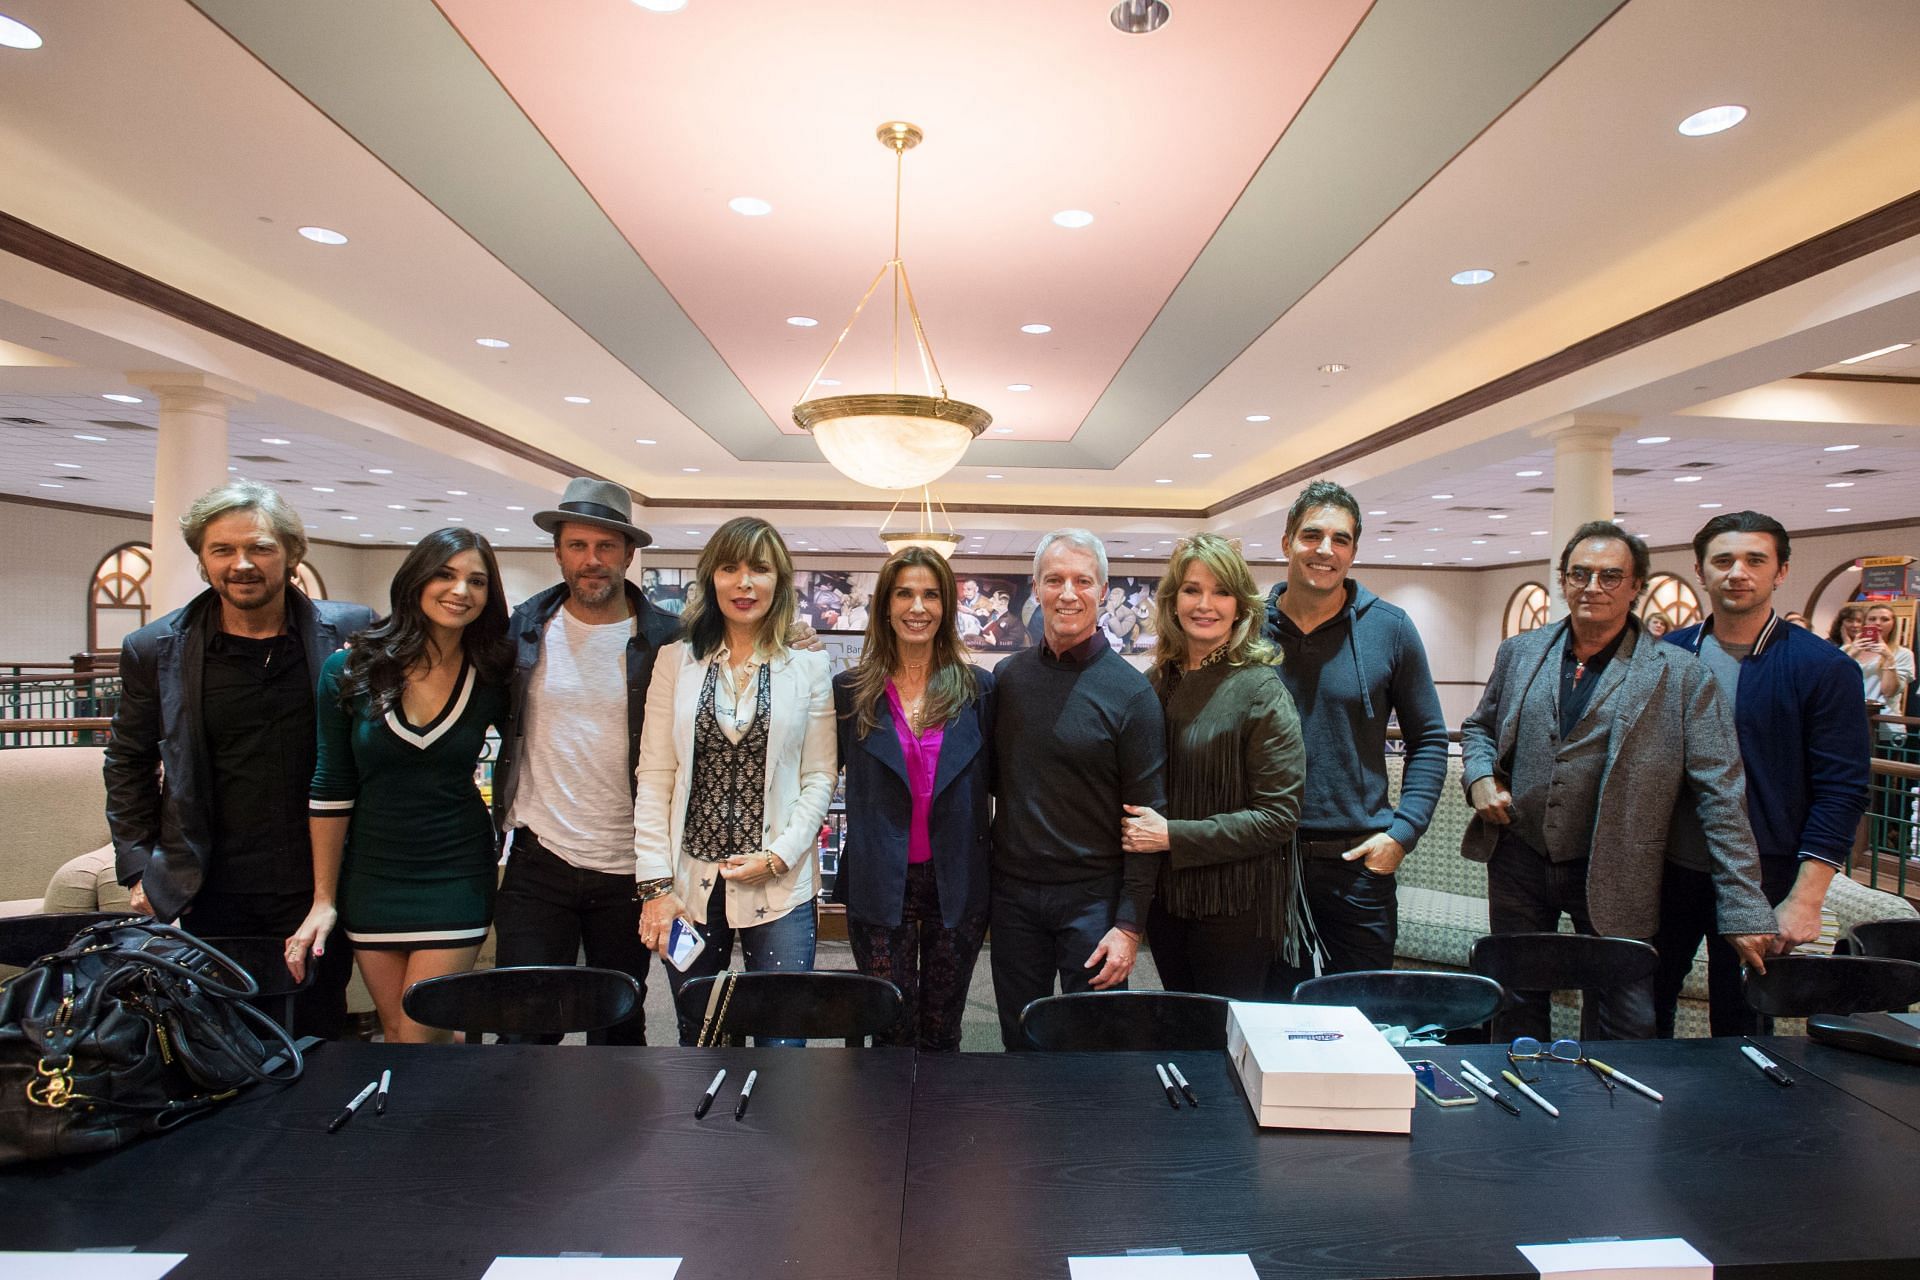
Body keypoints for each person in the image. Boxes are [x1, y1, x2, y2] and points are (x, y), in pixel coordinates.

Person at [1460, 520, 1775, 1041]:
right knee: (1515, 999)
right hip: (1518, 853)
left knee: (1625, 1016)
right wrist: (1477, 778)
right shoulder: (1520, 653)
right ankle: (1518, 1107)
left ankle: (1610, 1119)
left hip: (1619, 865)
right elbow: (1479, 729)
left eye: (1610, 576)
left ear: (1636, 587)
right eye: (1580, 574)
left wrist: (1744, 903)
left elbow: (1721, 793)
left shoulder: (1682, 675)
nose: (1592, 587)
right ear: (1563, 580)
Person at [104, 480, 374, 1039]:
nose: (242, 564)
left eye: (260, 548)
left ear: (293, 553)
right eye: (222, 550)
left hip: (321, 881)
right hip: (213, 886)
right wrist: (139, 867)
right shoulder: (156, 649)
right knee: (221, 1040)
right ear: (203, 560)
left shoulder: (352, 631)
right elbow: (127, 762)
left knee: (319, 1032)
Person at [1653, 511, 1873, 1037]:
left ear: (1780, 573)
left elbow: (1842, 789)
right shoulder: (1665, 654)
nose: (1738, 573)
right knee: (1643, 1007)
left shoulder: (1822, 667)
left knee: (1743, 1021)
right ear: (1701, 571)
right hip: (1669, 868)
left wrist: (1806, 897)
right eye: (1723, 560)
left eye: (1755, 560)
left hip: (1763, 874)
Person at [288, 528, 511, 1043]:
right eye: (445, 574)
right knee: (398, 1032)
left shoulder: (493, 674)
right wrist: (324, 898)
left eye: (477, 581)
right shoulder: (347, 669)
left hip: (455, 871)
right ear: (415, 580)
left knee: (418, 1033)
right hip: (373, 875)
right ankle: (456, 1117)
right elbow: (331, 783)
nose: (461, 591)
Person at [488, 478, 681, 1046]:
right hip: (538, 859)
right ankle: (519, 1136)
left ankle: (617, 1136)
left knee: (618, 1022)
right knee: (523, 1023)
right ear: (557, 551)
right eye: (577, 546)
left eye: (605, 547)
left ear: (628, 553)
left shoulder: (669, 639)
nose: (591, 560)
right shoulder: (523, 628)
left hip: (630, 867)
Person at [633, 517, 835, 1045]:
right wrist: (655, 884)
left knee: (782, 1038)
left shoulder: (809, 667)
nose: (744, 583)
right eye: (730, 568)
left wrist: (779, 854)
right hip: (688, 887)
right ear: (711, 578)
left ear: (780, 581)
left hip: (779, 884)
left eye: (759, 570)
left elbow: (819, 777)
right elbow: (655, 775)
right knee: (700, 1035)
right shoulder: (675, 662)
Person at [1262, 480, 1449, 996]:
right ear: (1286, 542)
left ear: (1353, 551)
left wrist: (1402, 834)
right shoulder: (1248, 627)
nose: (1325, 550)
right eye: (1312, 535)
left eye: (1340, 539)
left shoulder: (1390, 629)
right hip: (1267, 862)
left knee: (1366, 1020)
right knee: (1271, 1017)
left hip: (1360, 862)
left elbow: (1429, 739)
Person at [989, 529, 1167, 1050]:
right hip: (1015, 896)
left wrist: (1130, 926)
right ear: (1035, 590)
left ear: (1104, 591)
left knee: (1096, 1047)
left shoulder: (1132, 693)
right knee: (1019, 1039)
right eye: (1054, 580)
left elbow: (1145, 821)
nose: (1068, 593)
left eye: (1082, 581)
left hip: (1095, 900)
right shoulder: (1007, 679)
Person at [1120, 534, 1304, 999]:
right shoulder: (1155, 682)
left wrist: (1172, 835)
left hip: (1237, 905)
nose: (1206, 604)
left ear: (1241, 606)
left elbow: (1278, 818)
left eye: (1221, 591)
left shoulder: (1262, 689)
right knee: (1182, 1027)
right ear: (1172, 601)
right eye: (1191, 589)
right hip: (1167, 900)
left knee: (1226, 1040)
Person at [833, 546, 995, 1049]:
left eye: (930, 594)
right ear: (885, 604)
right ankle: (885, 1127)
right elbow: (815, 778)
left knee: (942, 1027)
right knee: (890, 1023)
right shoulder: (850, 690)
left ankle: (939, 1125)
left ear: (947, 606)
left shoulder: (980, 690)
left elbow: (999, 782)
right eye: (904, 593)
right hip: (880, 880)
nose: (917, 607)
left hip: (957, 882)